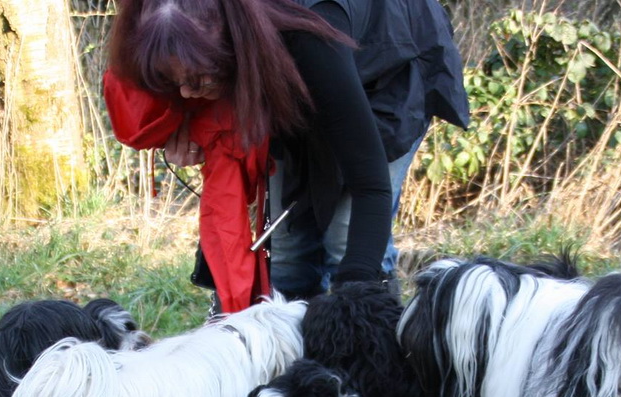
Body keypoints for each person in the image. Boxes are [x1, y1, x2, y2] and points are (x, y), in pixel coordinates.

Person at [105, 0, 469, 308]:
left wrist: (354, 299)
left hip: (383, 75)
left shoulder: (312, 38)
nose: (185, 93)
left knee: (345, 239)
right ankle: (290, 354)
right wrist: (187, 124)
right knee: (287, 245)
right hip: (286, 75)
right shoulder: (191, 21)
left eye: (196, 80)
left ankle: (373, 346)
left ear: (231, 44)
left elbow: (369, 186)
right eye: (175, 83)